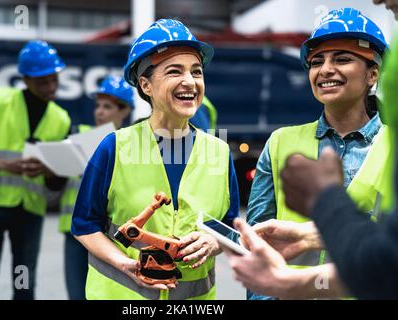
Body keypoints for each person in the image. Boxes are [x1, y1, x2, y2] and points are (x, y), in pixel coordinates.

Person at [225, 1, 398, 300]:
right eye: (317, 62)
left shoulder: (392, 144)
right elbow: (257, 245)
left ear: (373, 74)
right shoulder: (281, 142)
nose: (325, 70)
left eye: (342, 59)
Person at [71, 18, 240, 300]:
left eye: (196, 72)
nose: (189, 81)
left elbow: (232, 225)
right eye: (175, 71)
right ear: (146, 85)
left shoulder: (219, 152)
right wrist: (126, 264)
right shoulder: (115, 147)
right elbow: (84, 225)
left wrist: (214, 242)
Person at [0, 40, 71, 299]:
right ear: (26, 79)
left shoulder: (61, 118)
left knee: (24, 284)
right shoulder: (1, 103)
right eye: (44, 82)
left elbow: (56, 185)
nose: (52, 87)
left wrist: (50, 171)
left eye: (54, 79)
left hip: (29, 211)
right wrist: (4, 165)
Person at [58, 75, 134, 300]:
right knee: (77, 295)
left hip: (110, 234)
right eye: (98, 105)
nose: (99, 111)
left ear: (124, 110)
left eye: (107, 106)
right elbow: (55, 180)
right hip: (75, 228)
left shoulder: (132, 143)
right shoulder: (78, 135)